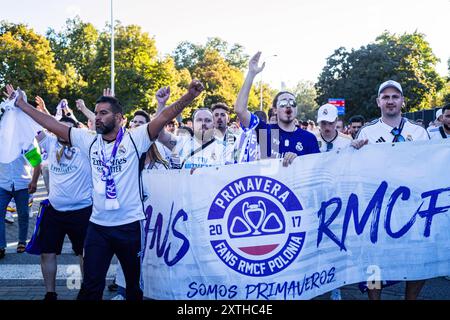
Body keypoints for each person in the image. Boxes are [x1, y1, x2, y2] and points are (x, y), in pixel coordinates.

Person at [13, 80, 204, 300]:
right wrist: (23, 106)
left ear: (119, 118)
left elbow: (163, 117)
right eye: (96, 113)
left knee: (133, 288)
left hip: (129, 226)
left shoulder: (135, 138)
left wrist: (189, 96)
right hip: (98, 227)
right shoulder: (89, 140)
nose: (97, 117)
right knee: (91, 288)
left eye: (103, 113)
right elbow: (51, 124)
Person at [353, 79, 429, 300]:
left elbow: (430, 166)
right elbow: (355, 169)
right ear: (378, 102)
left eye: (395, 96)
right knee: (375, 260)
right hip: (378, 206)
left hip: (412, 206)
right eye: (385, 97)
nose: (390, 101)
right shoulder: (367, 132)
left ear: (403, 101)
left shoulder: (419, 132)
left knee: (417, 259)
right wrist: (354, 149)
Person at [36, 116, 93, 300]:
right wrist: (19, 107)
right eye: (60, 128)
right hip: (55, 210)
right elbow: (34, 127)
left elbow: (99, 133)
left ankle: (86, 289)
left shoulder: (85, 146)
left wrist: (85, 110)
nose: (63, 132)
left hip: (82, 210)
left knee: (84, 253)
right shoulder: (51, 143)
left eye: (68, 129)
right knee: (47, 253)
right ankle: (50, 293)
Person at [234, 52, 320, 167]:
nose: (288, 106)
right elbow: (240, 110)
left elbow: (316, 171)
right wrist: (251, 73)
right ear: (274, 110)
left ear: (296, 109)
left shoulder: (308, 138)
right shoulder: (266, 132)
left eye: (292, 103)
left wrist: (298, 162)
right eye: (283, 103)